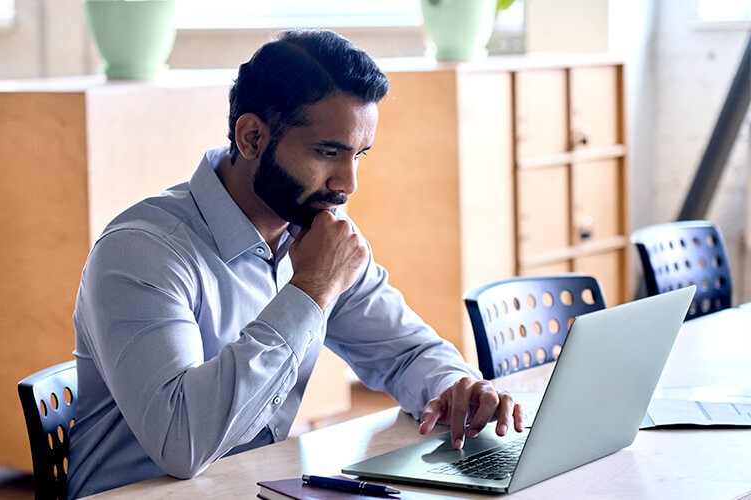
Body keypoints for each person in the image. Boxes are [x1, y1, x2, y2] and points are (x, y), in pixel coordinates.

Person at [67, 29, 523, 498]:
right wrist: (309, 291)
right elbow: (181, 444)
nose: (348, 183)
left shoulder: (311, 230)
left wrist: (455, 386)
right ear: (251, 137)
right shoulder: (143, 252)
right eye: (328, 152)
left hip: (250, 486)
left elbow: (405, 351)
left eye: (359, 155)